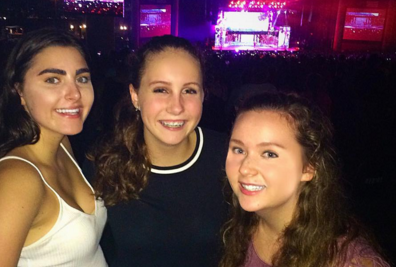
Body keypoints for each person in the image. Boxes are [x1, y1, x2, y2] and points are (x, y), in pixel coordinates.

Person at [0, 29, 107, 267]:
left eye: (82, 78)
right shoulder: (17, 179)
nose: (74, 94)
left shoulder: (62, 144)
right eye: (53, 79)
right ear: (19, 91)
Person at [89, 35, 228, 266]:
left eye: (190, 91)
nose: (176, 107)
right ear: (135, 96)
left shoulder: (229, 155)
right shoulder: (104, 163)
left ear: (203, 95)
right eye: (161, 90)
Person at [222, 92, 390, 267]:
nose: (245, 168)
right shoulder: (242, 225)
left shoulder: (351, 261)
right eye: (239, 150)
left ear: (309, 167)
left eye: (269, 154)